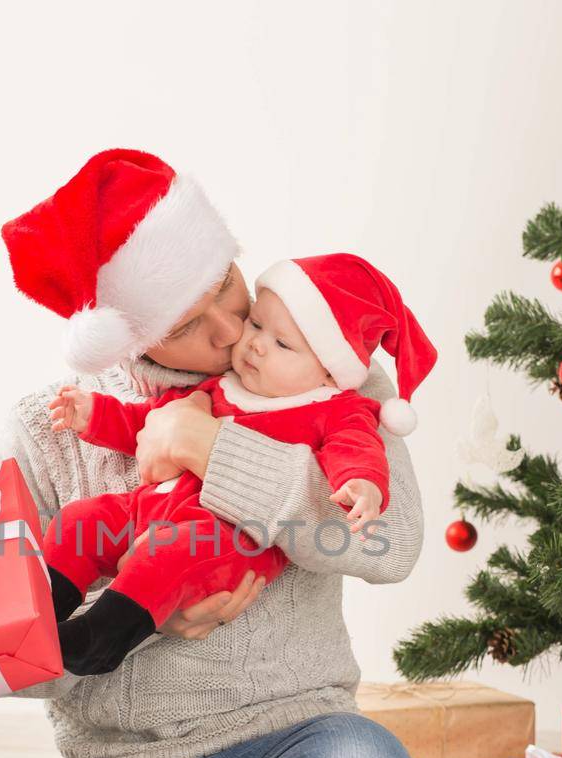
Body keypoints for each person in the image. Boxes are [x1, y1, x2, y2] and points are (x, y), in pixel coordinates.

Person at [0, 148, 557, 758]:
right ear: (128, 334)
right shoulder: (46, 428)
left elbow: (388, 545)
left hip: (301, 745)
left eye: (227, 286)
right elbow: (12, 654)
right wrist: (147, 616)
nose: (230, 333)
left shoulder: (315, 359)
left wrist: (219, 452)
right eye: (189, 324)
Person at [39, 252, 436, 675]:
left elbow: (357, 452)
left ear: (328, 371)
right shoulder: (224, 386)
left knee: (171, 555)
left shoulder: (339, 405)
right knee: (81, 522)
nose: (249, 340)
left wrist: (362, 483)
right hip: (150, 509)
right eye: (259, 325)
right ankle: (42, 611)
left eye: (282, 344)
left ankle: (103, 637)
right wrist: (93, 415)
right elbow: (145, 424)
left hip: (226, 539)